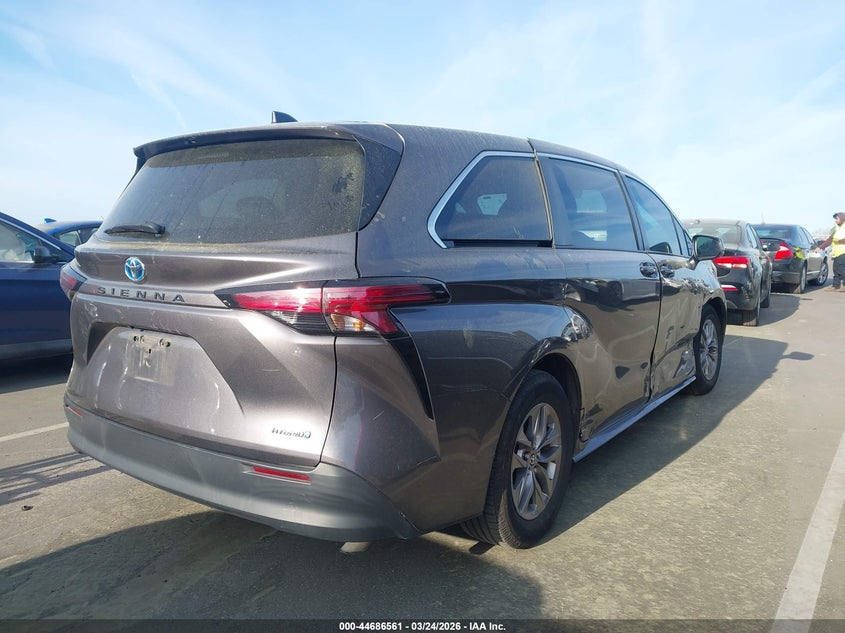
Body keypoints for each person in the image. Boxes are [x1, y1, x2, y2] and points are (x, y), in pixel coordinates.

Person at [816, 212, 845, 291]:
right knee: (835, 269)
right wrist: (820, 247)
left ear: (842, 218)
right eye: (835, 219)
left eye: (837, 219)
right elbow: (830, 240)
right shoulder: (835, 229)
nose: (836, 220)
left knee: (840, 269)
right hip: (837, 252)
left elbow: (838, 240)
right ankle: (836, 286)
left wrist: (839, 241)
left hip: (843, 252)